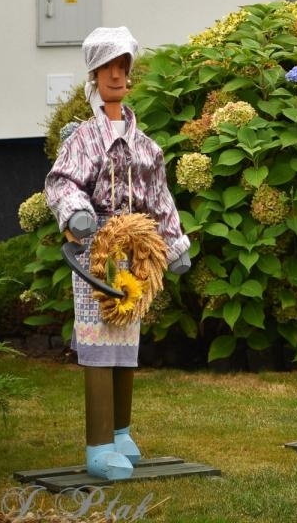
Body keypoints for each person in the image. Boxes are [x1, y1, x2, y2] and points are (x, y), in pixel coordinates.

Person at [45, 26, 190, 481]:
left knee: (127, 337)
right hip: (94, 250)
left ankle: (121, 432)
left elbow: (159, 197)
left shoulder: (147, 147)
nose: (114, 75)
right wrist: (77, 213)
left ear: (129, 74)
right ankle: (98, 445)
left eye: (121, 67)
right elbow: (62, 181)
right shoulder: (83, 139)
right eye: (106, 67)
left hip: (135, 251)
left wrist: (173, 243)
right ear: (94, 74)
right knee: (98, 342)